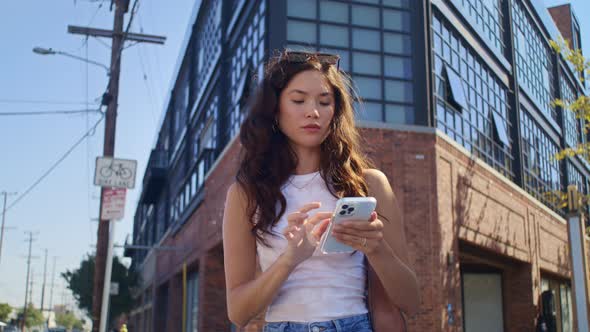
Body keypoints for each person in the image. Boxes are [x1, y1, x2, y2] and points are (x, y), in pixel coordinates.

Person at [222, 50, 420, 332]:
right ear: (275, 110)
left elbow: (411, 301)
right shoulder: (246, 194)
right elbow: (238, 312)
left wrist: (377, 249)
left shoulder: (368, 184)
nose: (313, 111)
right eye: (298, 100)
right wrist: (290, 259)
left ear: (335, 111)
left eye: (324, 101)